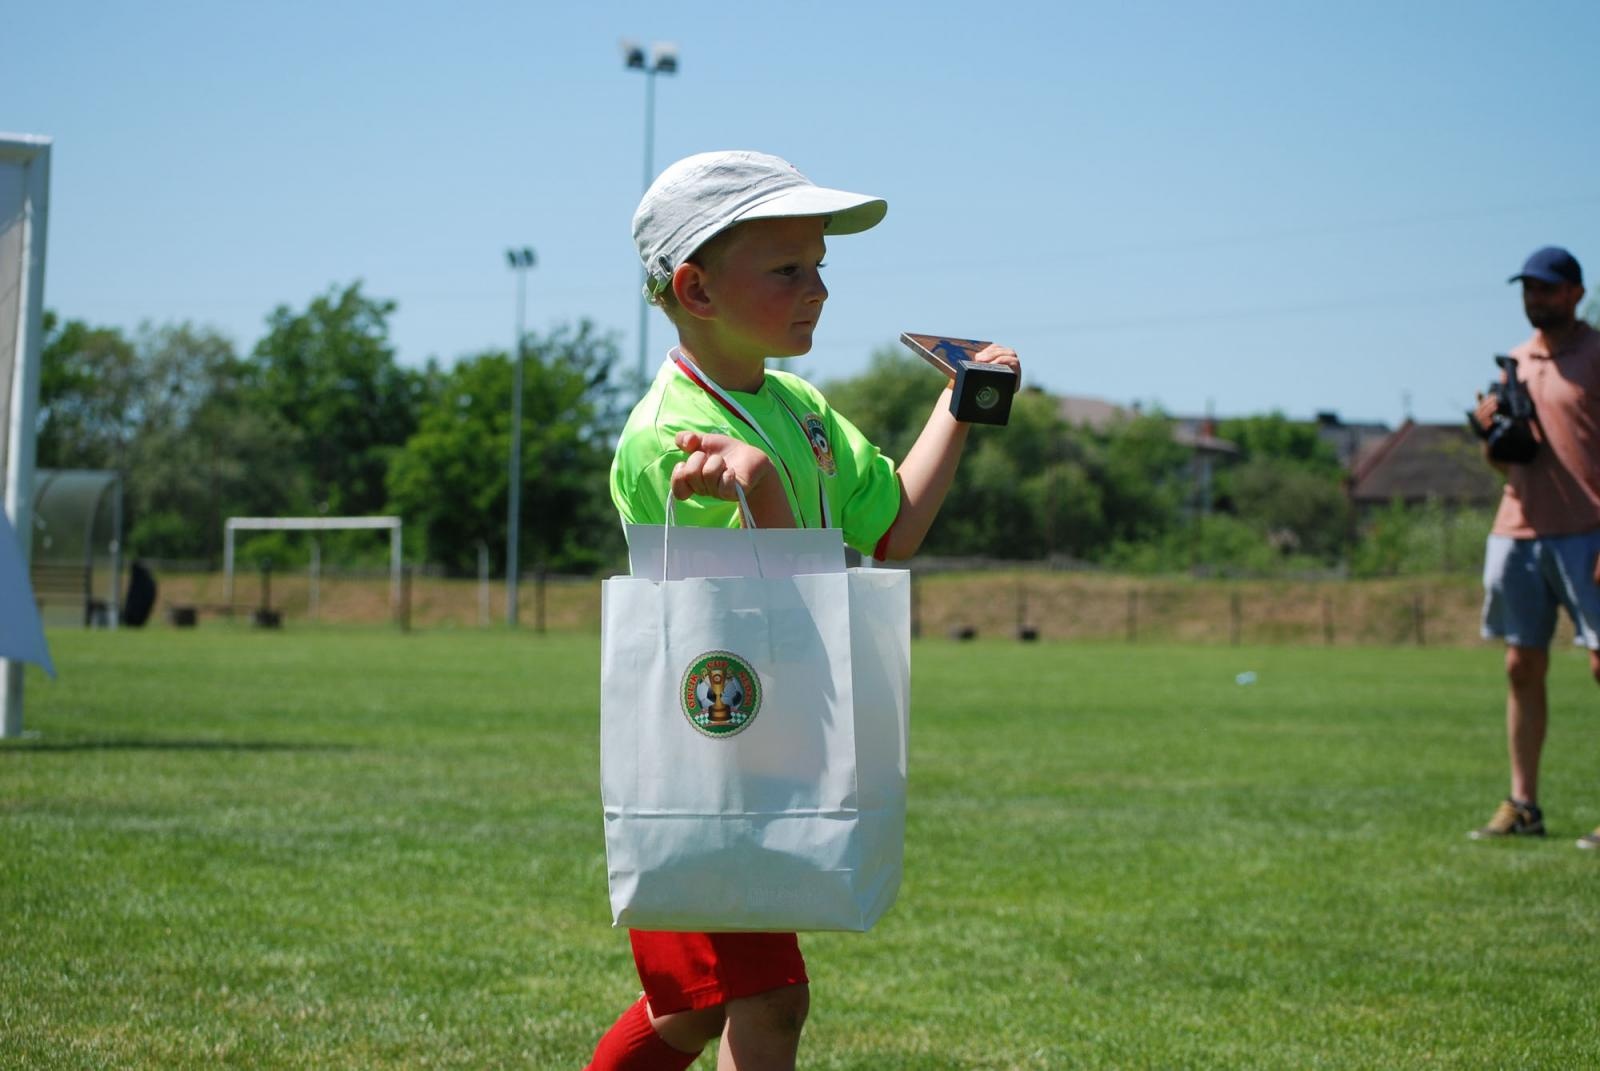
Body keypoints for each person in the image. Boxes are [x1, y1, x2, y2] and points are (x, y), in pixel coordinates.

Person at [587, 150, 1021, 1070]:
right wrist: (760, 492)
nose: (817, 288)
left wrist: (960, 403)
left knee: (692, 1012)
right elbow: (763, 606)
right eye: (788, 269)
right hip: (711, 755)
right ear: (696, 288)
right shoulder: (670, 432)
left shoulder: (800, 407)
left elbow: (892, 528)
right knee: (770, 999)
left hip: (770, 754)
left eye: (820, 264)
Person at [1469, 246, 1600, 848]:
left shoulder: (1596, 355)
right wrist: (1493, 429)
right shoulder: (1515, 361)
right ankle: (1524, 804)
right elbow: (1503, 461)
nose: (1535, 299)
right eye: (1528, 289)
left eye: (1547, 289)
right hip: (1518, 528)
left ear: (1575, 292)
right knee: (1521, 663)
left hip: (1588, 529)